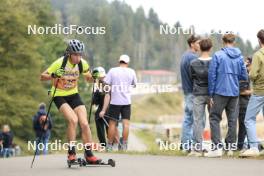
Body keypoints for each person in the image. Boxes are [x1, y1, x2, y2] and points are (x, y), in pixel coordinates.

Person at [40, 39, 101, 163]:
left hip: (74, 95)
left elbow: (89, 79)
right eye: (75, 54)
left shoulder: (82, 63)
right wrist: (54, 75)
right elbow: (42, 77)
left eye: (80, 54)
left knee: (84, 123)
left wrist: (94, 77)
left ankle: (89, 155)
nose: (78, 57)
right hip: (59, 95)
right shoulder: (59, 63)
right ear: (69, 53)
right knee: (73, 120)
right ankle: (71, 153)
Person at [205, 33, 248, 157]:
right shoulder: (240, 58)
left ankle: (217, 148)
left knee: (214, 118)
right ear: (233, 42)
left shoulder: (218, 55)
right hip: (234, 92)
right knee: (232, 120)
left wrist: (211, 94)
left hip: (219, 91)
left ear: (223, 42)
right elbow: (244, 76)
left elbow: (212, 76)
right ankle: (230, 148)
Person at [99, 54, 137, 151]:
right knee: (126, 124)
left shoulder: (112, 71)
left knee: (112, 124)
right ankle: (124, 145)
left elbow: (106, 86)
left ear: (119, 61)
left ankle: (109, 146)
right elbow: (134, 84)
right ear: (127, 63)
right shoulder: (131, 71)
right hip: (126, 102)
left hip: (115, 102)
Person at [240, 29, 264, 157]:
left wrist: (249, 73)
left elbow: (253, 75)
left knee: (249, 119)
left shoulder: (258, 55)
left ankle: (254, 147)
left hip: (259, 91)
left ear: (259, 40)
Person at [188, 38, 212, 157]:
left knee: (197, 121)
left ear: (200, 48)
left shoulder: (193, 63)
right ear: (210, 48)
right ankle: (215, 147)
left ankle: (197, 148)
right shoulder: (215, 62)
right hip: (212, 94)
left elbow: (192, 77)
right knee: (214, 120)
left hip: (198, 93)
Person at [180, 34, 201, 151]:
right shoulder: (192, 58)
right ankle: (192, 146)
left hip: (187, 91)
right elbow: (196, 76)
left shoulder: (184, 56)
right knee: (196, 120)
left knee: (188, 119)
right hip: (193, 92)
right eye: (198, 43)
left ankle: (185, 145)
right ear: (192, 44)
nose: (199, 45)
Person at [237, 57, 252, 151]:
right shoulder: (244, 74)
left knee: (244, 126)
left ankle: (244, 145)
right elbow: (241, 91)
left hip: (244, 102)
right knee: (243, 126)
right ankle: (240, 146)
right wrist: (253, 92)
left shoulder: (247, 74)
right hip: (242, 103)